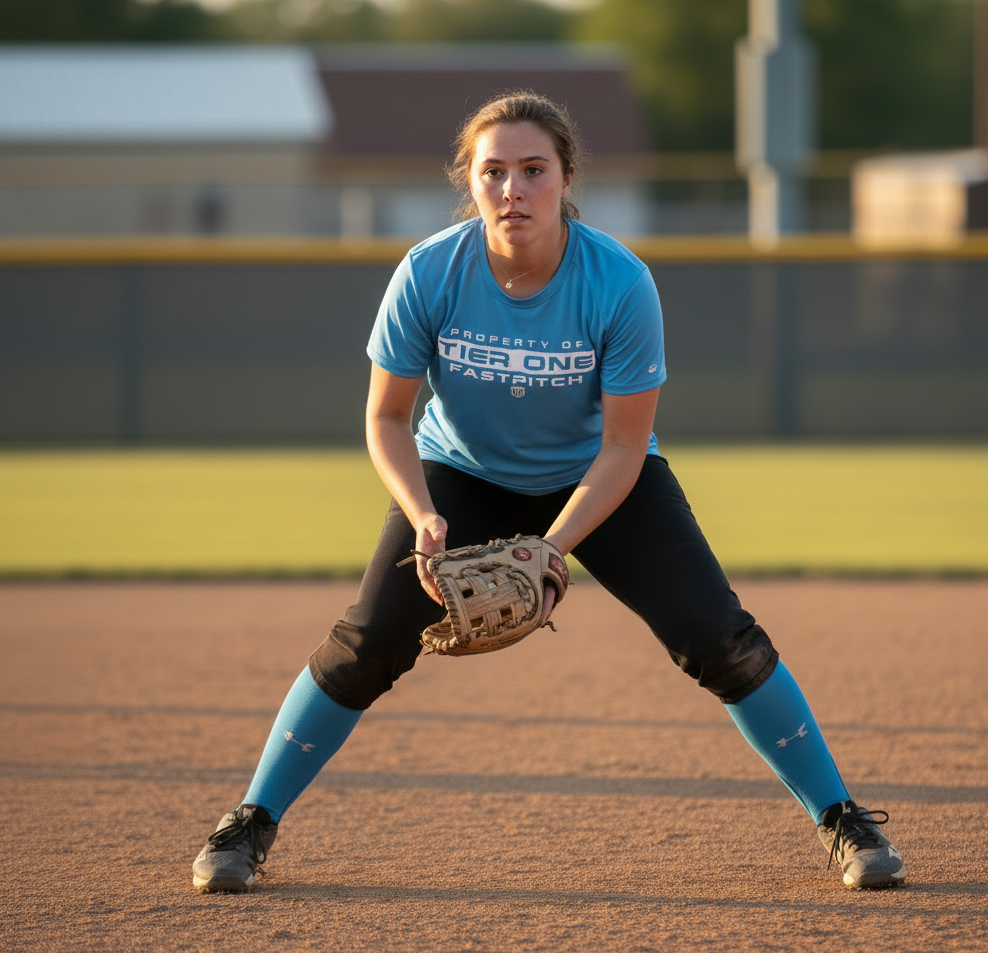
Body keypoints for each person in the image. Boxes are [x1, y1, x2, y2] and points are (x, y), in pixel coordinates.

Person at [191, 91, 906, 893]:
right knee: (368, 642)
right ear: (470, 182)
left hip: (597, 476)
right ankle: (249, 822)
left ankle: (842, 817)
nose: (513, 189)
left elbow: (626, 444)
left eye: (534, 170)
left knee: (719, 637)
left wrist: (552, 549)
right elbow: (387, 418)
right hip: (462, 475)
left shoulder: (618, 281)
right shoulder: (430, 271)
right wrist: (424, 514)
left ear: (567, 180)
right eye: (493, 171)